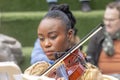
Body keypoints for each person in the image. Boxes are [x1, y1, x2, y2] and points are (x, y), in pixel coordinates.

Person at [25, 4, 106, 80]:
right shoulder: (38, 70)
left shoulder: (89, 74)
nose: (46, 44)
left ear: (69, 35)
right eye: (41, 39)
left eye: (53, 37)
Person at [86, 1, 120, 79]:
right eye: (105, 19)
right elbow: (89, 60)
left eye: (111, 20)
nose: (107, 23)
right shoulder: (97, 36)